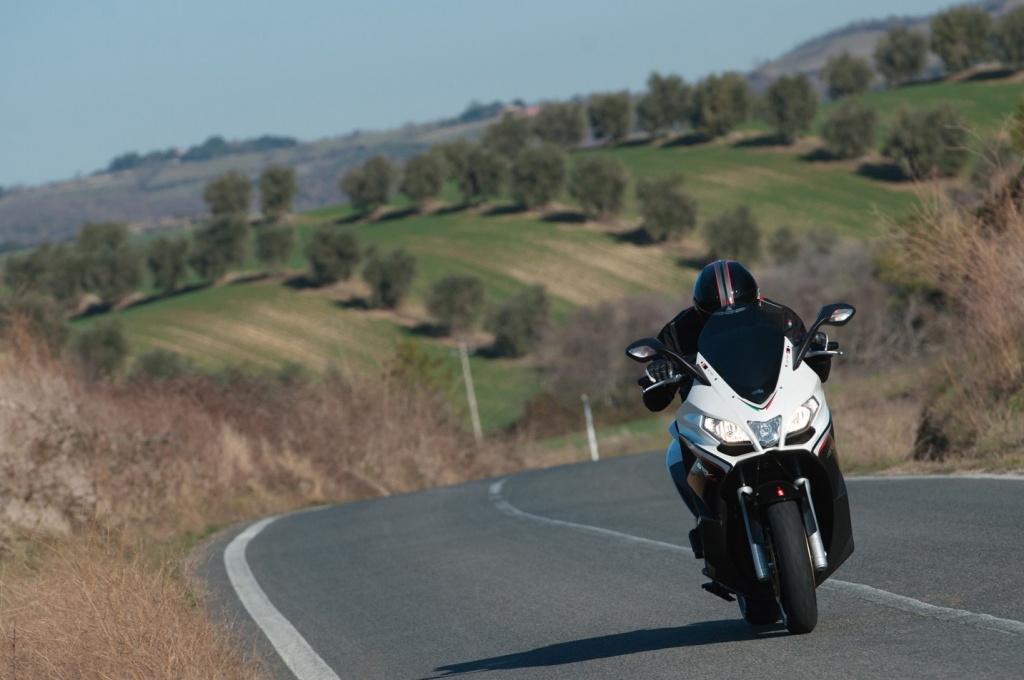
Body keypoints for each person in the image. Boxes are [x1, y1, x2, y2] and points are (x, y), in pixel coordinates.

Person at [637, 259, 832, 557]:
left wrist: (817, 347)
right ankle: (707, 523)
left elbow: (812, 369)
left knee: (819, 420)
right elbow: (655, 401)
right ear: (700, 310)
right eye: (715, 312)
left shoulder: (779, 317)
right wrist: (658, 372)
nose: (729, 316)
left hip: (775, 405)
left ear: (756, 300)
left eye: (741, 307)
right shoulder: (678, 331)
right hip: (714, 416)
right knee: (676, 453)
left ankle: (827, 495)